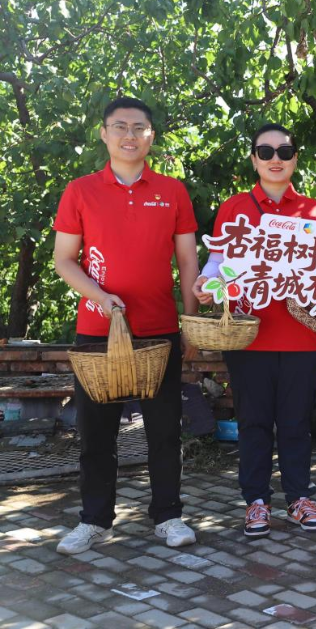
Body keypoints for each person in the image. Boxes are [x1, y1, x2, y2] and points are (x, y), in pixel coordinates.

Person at [53, 97, 199, 554]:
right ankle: (94, 520)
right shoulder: (80, 191)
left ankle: (168, 516)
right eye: (120, 126)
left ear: (151, 136)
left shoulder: (172, 191)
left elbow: (188, 261)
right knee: (96, 433)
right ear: (104, 133)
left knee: (164, 431)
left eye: (139, 127)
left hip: (159, 331)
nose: (129, 135)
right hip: (98, 330)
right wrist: (101, 297)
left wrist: (191, 321)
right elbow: (64, 260)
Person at [193, 123, 316, 537]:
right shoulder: (235, 207)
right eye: (265, 152)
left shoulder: (315, 212)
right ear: (254, 159)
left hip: (302, 335)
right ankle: (256, 501)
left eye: (284, 152)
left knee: (296, 423)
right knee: (253, 422)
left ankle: (299, 498)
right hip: (248, 334)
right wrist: (206, 282)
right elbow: (217, 260)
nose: (275, 159)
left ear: (295, 158)